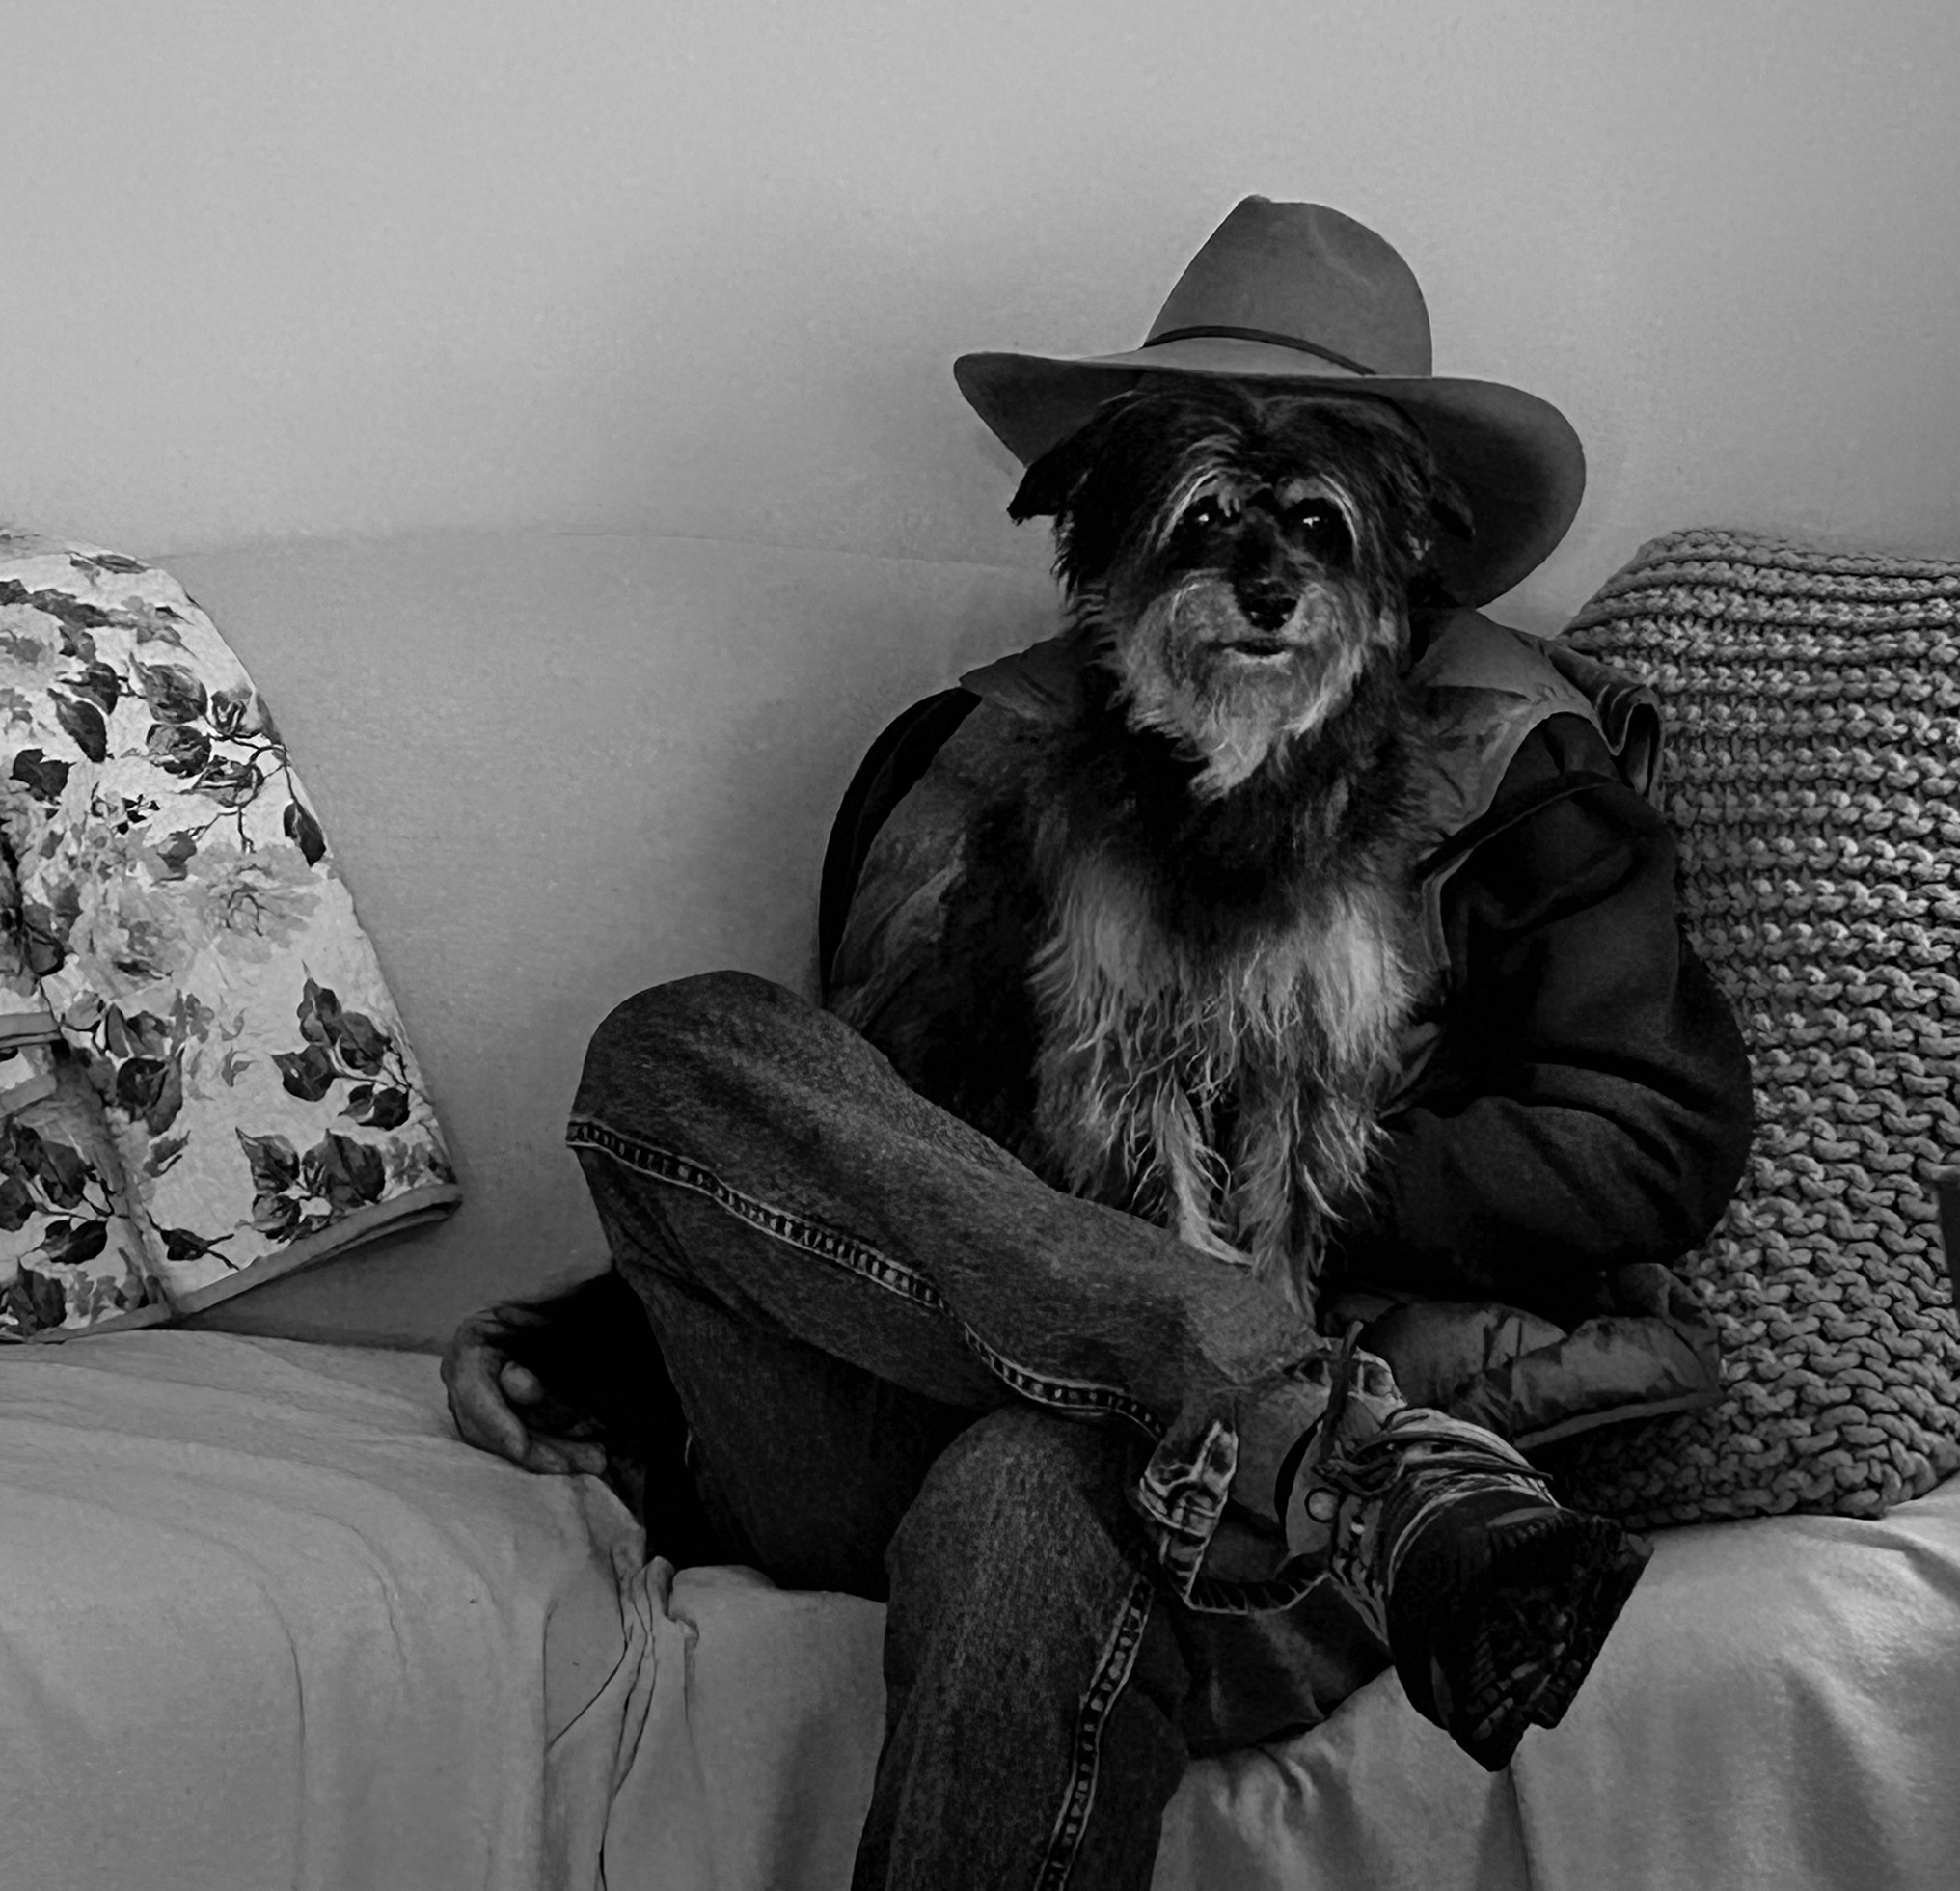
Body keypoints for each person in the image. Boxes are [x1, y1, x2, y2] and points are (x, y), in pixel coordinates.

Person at [444, 200, 1754, 1891]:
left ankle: (1266, 1416)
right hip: (906, 1412)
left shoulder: (1526, 776)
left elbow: (1643, 1141)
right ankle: (1295, 1423)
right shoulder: (966, 747)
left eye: (1312, 522)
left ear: (1402, 537)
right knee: (677, 1044)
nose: (1263, 573)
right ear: (1112, 530)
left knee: (1025, 1485)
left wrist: (1266, 1157)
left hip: (1225, 1492)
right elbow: (858, 1163)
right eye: (1206, 517)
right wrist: (601, 1339)